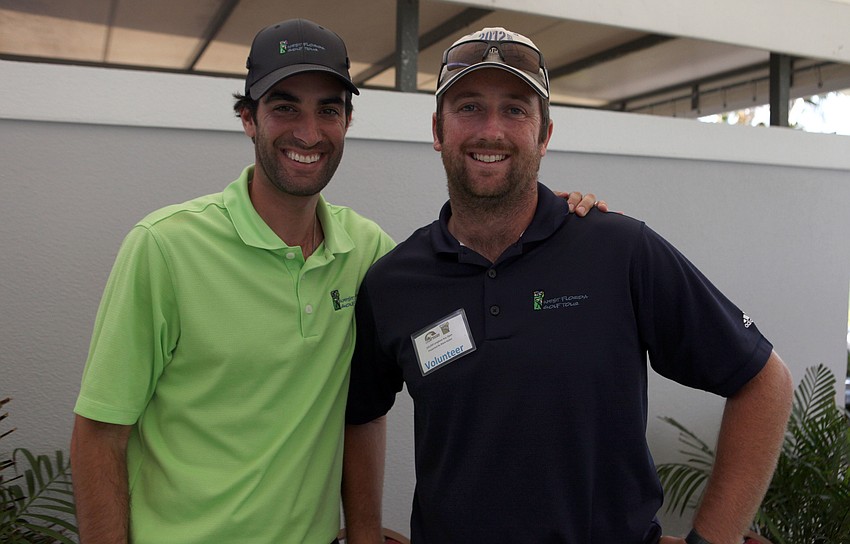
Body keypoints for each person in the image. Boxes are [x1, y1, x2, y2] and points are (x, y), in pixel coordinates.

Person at [70, 19, 603, 544]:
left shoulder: (367, 252)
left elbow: (364, 409)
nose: (308, 132)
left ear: (347, 122)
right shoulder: (164, 247)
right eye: (284, 107)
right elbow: (99, 435)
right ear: (248, 119)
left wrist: (551, 221)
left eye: (328, 109)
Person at [342, 27, 794, 544]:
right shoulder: (395, 282)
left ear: (544, 134)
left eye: (515, 109)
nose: (491, 130)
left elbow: (764, 382)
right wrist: (363, 536)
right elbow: (361, 413)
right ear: (438, 130)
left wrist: (712, 539)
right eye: (469, 107)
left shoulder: (619, 251)